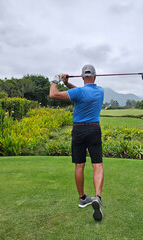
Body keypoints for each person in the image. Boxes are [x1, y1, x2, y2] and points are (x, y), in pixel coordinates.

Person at [49, 64, 104, 221]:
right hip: (94, 129)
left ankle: (82, 198)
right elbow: (79, 92)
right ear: (95, 76)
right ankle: (97, 197)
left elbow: (53, 94)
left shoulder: (78, 92)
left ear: (81, 77)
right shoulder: (100, 91)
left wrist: (56, 80)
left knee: (79, 165)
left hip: (78, 130)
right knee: (97, 165)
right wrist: (66, 83)